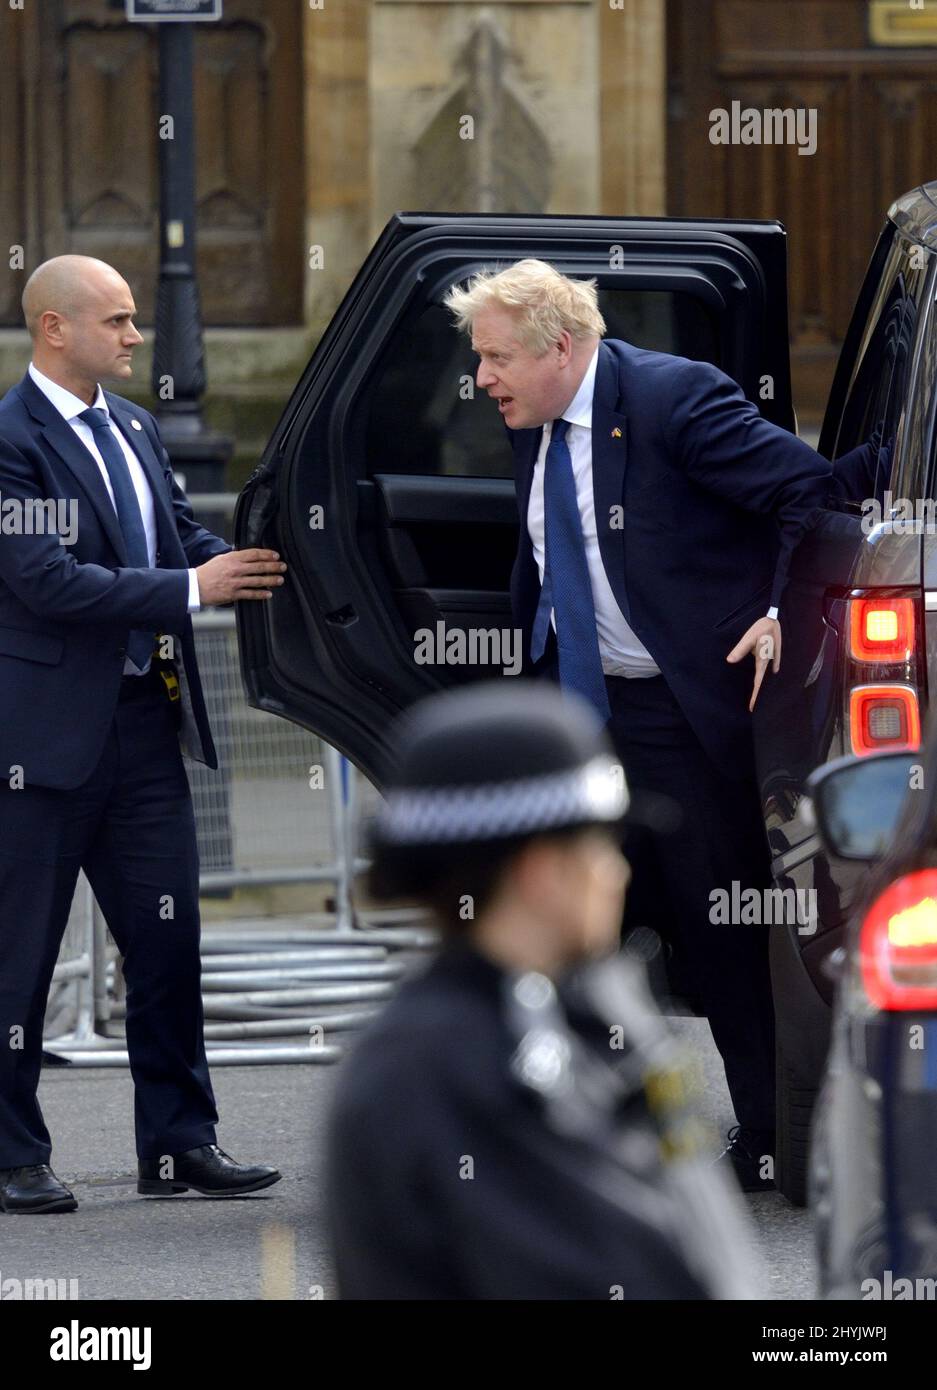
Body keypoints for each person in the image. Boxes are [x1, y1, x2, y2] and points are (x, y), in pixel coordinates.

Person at [442, 260, 838, 1191]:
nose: (482, 378)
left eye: (496, 358)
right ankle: (579, 1136)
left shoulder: (672, 400)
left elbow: (808, 491)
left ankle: (768, 1135)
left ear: (561, 347)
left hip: (674, 715)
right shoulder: (531, 417)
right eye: (480, 359)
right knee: (564, 923)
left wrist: (778, 610)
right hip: (578, 712)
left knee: (719, 925)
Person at [0, 255, 286, 1213]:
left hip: (144, 733)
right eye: (118, 321)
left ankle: (178, 1146)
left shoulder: (133, 424)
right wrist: (189, 588)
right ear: (55, 329)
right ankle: (12, 1155)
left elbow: (171, 533)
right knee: (19, 957)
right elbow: (47, 583)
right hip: (39, 748)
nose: (135, 338)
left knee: (167, 950)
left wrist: (236, 563)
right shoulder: (10, 441)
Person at [326, 680, 762, 1299]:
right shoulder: (456, 1070)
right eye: (602, 846)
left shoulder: (569, 1013)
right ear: (540, 871)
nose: (621, 870)